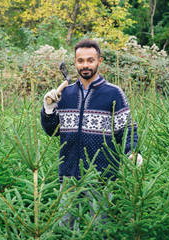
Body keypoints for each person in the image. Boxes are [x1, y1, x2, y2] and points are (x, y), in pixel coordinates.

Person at [40, 39, 142, 230]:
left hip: (102, 175)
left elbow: (127, 128)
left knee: (100, 228)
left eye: (90, 60)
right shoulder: (66, 94)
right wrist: (48, 107)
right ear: (75, 62)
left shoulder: (113, 93)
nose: (85, 65)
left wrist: (132, 151)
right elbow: (52, 131)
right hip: (69, 173)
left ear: (99, 61)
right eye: (80, 61)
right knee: (65, 228)